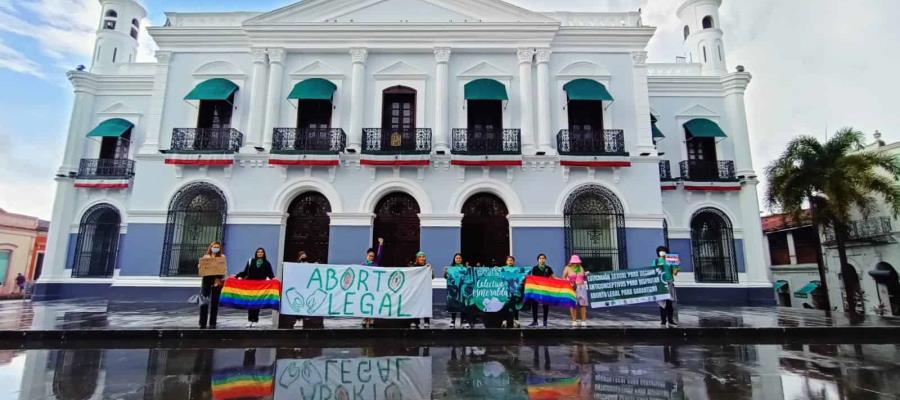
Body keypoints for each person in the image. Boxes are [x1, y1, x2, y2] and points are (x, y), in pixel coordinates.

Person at [236, 247, 276, 327]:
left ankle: (255, 320)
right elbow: (245, 271)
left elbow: (270, 274)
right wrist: (238, 276)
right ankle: (250, 320)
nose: (260, 253)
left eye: (261, 252)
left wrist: (274, 279)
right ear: (256, 253)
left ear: (264, 253)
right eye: (258, 252)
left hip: (260, 286)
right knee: (250, 303)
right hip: (250, 285)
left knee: (257, 303)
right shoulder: (251, 261)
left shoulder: (266, 263)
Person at [199, 242, 226, 329]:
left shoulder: (222, 257)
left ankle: (213, 322)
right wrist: (200, 266)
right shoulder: (206, 257)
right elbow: (201, 268)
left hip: (217, 280)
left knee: (215, 302)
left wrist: (220, 279)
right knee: (204, 302)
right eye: (214, 246)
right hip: (206, 280)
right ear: (210, 247)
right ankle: (202, 322)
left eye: (217, 247)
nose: (215, 248)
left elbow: (224, 269)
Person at [654, 246, 678, 327]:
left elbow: (675, 272)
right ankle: (663, 321)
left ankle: (670, 320)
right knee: (662, 304)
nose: (662, 252)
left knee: (669, 303)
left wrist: (676, 268)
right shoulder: (656, 261)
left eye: (663, 250)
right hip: (661, 284)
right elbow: (652, 271)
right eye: (660, 251)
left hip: (669, 282)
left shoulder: (670, 260)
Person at [528, 254, 554, 327]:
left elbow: (553, 277)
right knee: (534, 305)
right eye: (540, 258)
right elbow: (533, 278)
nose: (542, 259)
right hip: (536, 290)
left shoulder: (548, 268)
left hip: (545, 290)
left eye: (543, 258)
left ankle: (545, 321)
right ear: (538, 260)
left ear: (545, 259)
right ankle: (535, 321)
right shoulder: (535, 268)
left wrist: (563, 281)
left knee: (545, 305)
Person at [563, 255, 588, 327]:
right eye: (574, 262)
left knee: (583, 305)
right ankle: (574, 320)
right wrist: (568, 284)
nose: (576, 263)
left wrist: (586, 275)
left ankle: (583, 321)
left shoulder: (581, 268)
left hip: (582, 287)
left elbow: (583, 277)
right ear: (571, 262)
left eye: (577, 262)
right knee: (573, 304)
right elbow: (563, 278)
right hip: (572, 288)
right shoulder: (567, 268)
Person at [412, 251, 433, 329]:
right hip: (416, 290)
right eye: (420, 257)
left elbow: (432, 277)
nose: (422, 258)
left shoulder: (427, 267)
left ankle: (426, 321)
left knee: (425, 304)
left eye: (423, 257)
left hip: (425, 290)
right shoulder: (413, 267)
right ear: (417, 258)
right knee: (415, 305)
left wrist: (431, 269)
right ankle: (415, 321)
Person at [445, 253, 466, 328]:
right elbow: (446, 277)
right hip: (454, 289)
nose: (458, 259)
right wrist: (445, 272)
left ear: (461, 259)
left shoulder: (464, 268)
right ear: (454, 259)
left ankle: (464, 321)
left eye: (459, 258)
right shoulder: (451, 268)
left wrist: (469, 270)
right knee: (454, 305)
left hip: (462, 289)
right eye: (457, 258)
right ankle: (453, 321)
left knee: (463, 305)